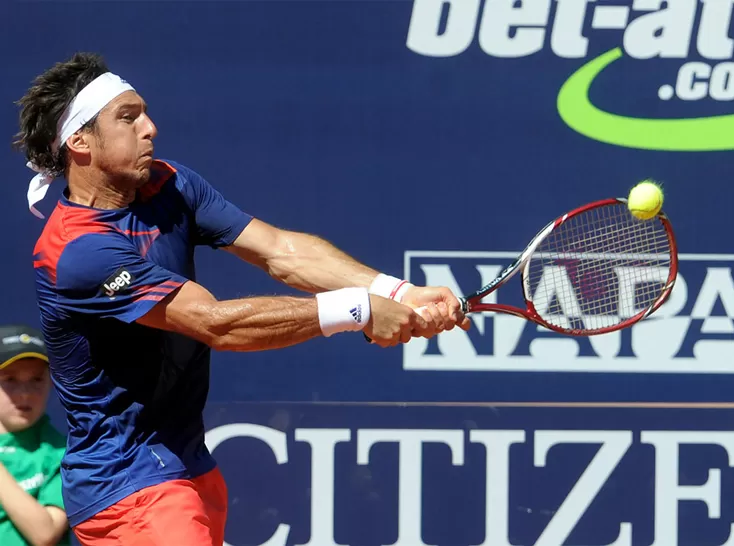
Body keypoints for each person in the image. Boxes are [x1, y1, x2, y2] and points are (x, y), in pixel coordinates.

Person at [14, 52, 471, 546]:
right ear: (79, 142)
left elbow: (281, 251)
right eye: (127, 118)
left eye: (144, 112)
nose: (151, 127)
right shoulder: (78, 250)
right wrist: (357, 309)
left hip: (188, 469)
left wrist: (396, 291)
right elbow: (215, 323)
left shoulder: (171, 184)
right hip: (128, 489)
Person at [0, 325, 70, 546]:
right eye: (10, 380)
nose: (25, 393)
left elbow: (45, 534)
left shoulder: (66, 454)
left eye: (37, 380)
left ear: (51, 382)